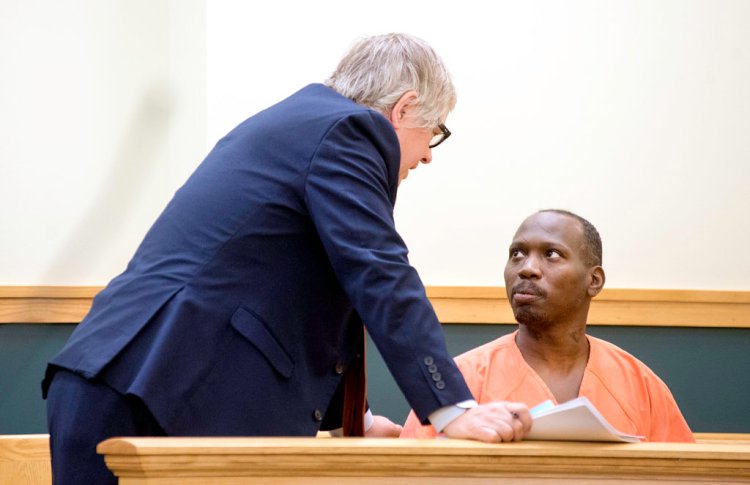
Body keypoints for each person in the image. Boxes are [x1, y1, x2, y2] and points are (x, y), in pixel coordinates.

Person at [43, 33, 531, 484]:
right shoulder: (350, 130)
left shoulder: (304, 125)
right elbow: (380, 270)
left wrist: (352, 419)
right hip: (152, 389)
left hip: (132, 381)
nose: (427, 156)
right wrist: (452, 409)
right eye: (435, 133)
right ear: (405, 108)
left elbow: (278, 286)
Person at [401, 209, 694, 442]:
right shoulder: (459, 384)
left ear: (594, 281)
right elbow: (409, 473)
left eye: (551, 254)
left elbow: (685, 474)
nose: (526, 267)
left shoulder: (641, 385)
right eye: (517, 253)